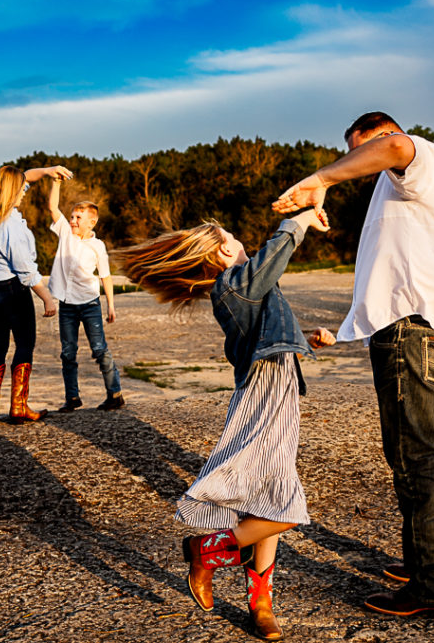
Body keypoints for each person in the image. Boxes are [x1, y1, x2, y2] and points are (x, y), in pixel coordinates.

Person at [273, 111, 434, 617]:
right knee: (431, 451)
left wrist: (320, 179)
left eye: (360, 150)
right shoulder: (433, 187)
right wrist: (348, 329)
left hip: (414, 333)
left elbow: (396, 148)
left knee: (415, 460)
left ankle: (431, 587)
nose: (361, 163)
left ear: (384, 135)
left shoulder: (416, 156)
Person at [115, 208, 331, 641]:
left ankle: (261, 602)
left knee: (267, 497)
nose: (238, 238)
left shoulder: (243, 289)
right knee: (286, 510)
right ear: (221, 253)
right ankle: (206, 549)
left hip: (278, 389)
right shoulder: (234, 285)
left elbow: (263, 334)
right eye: (230, 235)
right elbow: (275, 255)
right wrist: (301, 218)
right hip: (264, 394)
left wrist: (304, 337)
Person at [0, 164, 71, 424]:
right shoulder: (11, 227)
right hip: (9, 289)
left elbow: (26, 176)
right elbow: (26, 271)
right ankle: (18, 408)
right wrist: (47, 298)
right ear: (11, 191)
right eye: (21, 190)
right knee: (25, 343)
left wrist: (50, 171)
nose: (24, 193)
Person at [46, 177, 124, 412]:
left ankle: (115, 394)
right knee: (68, 353)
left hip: (90, 304)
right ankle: (72, 398)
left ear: (92, 221)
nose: (72, 220)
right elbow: (52, 207)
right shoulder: (65, 234)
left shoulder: (97, 246)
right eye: (71, 216)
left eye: (78, 218)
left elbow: (106, 276)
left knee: (99, 349)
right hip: (67, 304)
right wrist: (56, 183)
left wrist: (110, 305)